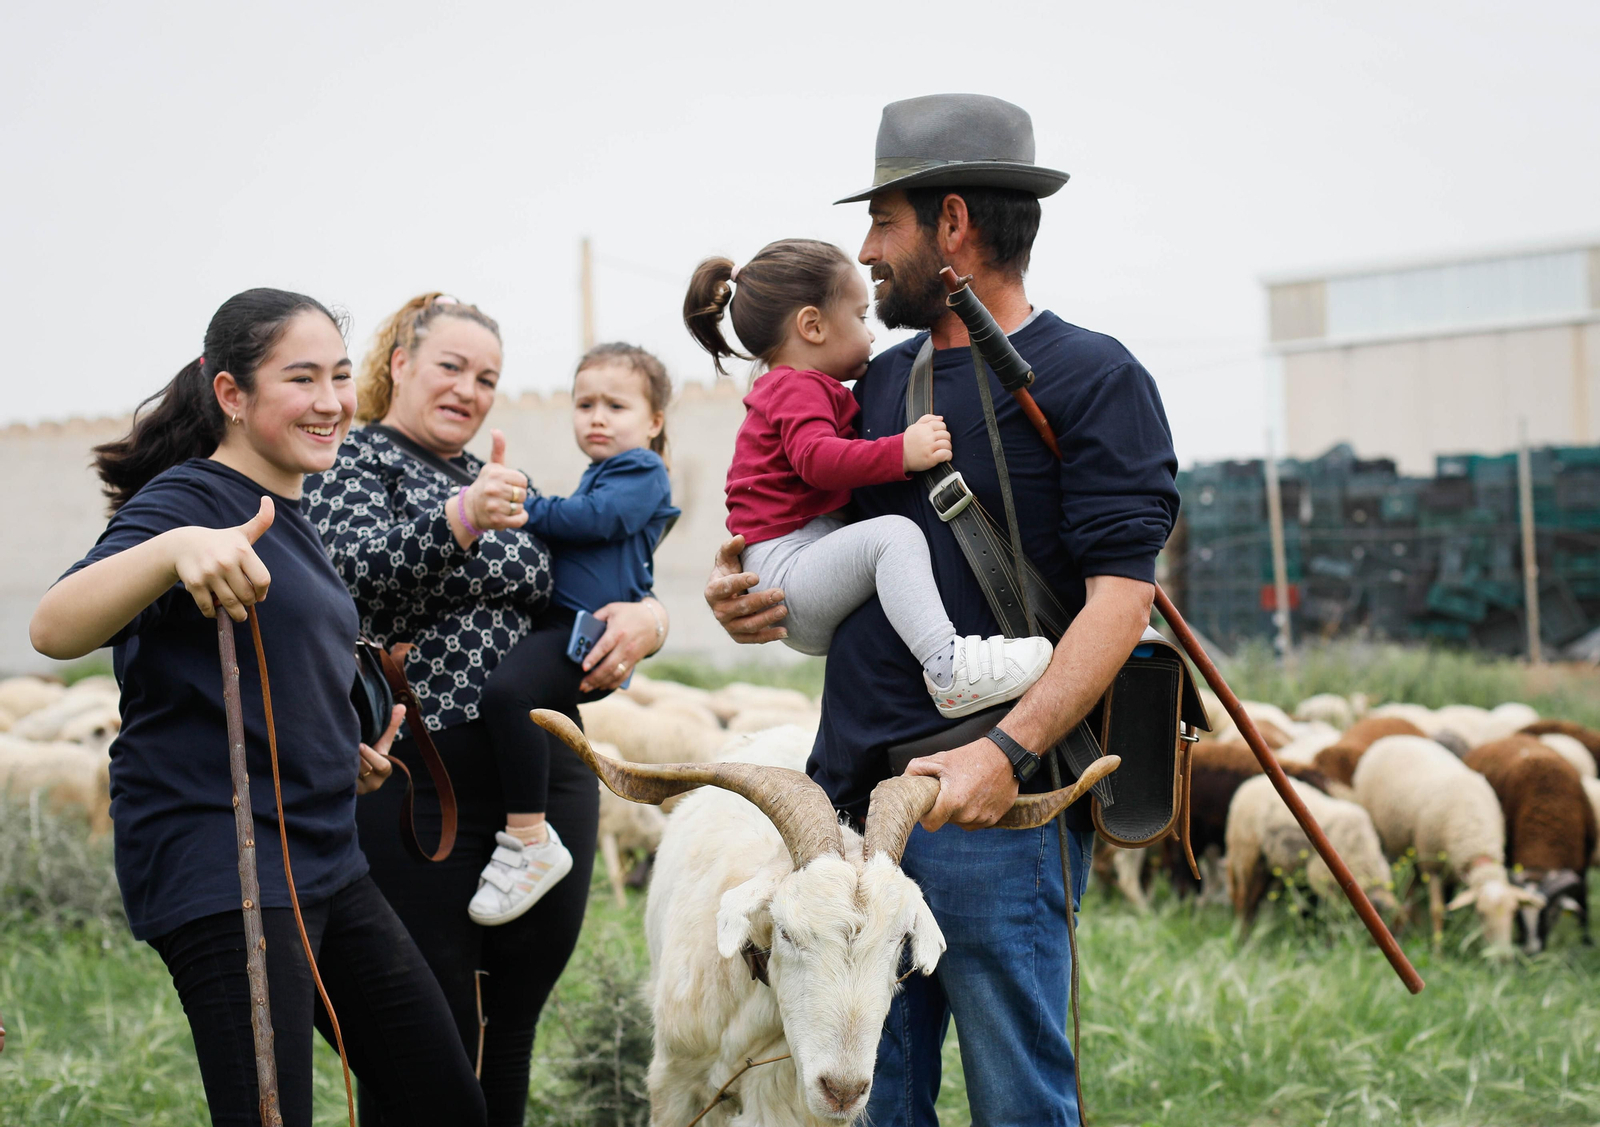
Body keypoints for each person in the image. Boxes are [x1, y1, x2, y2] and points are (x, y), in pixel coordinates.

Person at [705, 94, 1180, 1127]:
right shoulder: (869, 383)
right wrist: (748, 593)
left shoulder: (1095, 378)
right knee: (866, 1103)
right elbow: (803, 535)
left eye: (885, 222)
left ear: (952, 224)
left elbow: (1120, 598)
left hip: (996, 811)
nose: (867, 252)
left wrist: (1003, 750)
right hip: (854, 813)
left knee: (1017, 1100)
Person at [30, 288, 486, 1127]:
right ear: (231, 395)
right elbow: (53, 627)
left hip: (323, 854)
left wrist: (334, 750)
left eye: (341, 376)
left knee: (444, 1099)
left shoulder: (293, 515)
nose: (330, 401)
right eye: (301, 377)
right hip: (223, 861)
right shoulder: (190, 502)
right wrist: (173, 550)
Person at [304, 293, 669, 1126]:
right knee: (423, 1027)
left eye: (488, 377)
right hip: (420, 785)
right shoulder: (352, 460)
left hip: (544, 775)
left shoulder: (496, 474)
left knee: (510, 1021)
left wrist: (651, 618)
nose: (469, 390)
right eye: (451, 368)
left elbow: (587, 579)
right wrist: (462, 519)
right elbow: (352, 575)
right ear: (400, 363)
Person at [682, 240, 1053, 717]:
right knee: (892, 538)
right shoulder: (798, 386)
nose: (871, 336)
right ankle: (948, 669)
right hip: (785, 574)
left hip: (791, 569)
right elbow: (816, 459)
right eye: (859, 318)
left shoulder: (797, 388)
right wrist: (902, 451)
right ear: (812, 325)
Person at [466, 343, 678, 927]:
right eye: (585, 404)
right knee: (527, 710)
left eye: (616, 405)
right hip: (570, 625)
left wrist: (527, 508)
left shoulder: (641, 470)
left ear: (653, 422)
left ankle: (529, 838)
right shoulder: (603, 472)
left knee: (510, 695)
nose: (598, 417)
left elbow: (595, 520)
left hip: (584, 630)